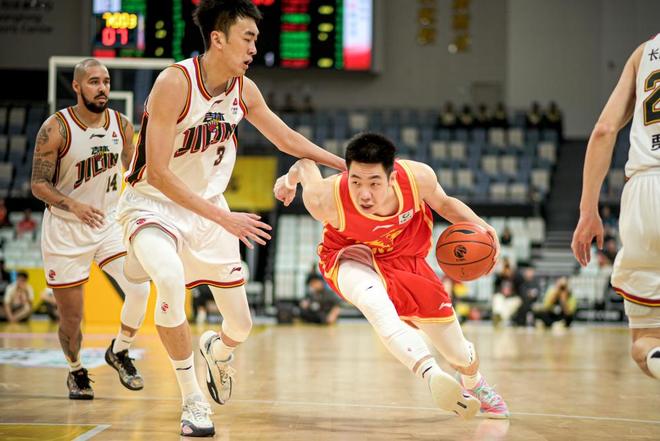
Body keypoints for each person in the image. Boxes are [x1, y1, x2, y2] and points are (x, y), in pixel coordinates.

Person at [117, 0, 345, 436]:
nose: (255, 48)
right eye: (248, 38)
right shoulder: (175, 83)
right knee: (168, 279)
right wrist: (226, 220)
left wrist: (346, 165)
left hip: (208, 209)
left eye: (256, 39)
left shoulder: (244, 89)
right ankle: (192, 400)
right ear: (218, 39)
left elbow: (286, 138)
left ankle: (217, 351)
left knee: (241, 325)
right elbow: (159, 173)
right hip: (152, 203)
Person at [274, 132, 509, 419]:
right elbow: (304, 164)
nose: (364, 193)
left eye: (374, 183)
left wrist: (485, 227)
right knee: (373, 302)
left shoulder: (417, 178)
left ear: (392, 177)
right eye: (356, 182)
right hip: (349, 255)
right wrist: (289, 181)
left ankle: (474, 383)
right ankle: (432, 374)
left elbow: (446, 205)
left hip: (406, 260)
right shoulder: (324, 198)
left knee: (460, 354)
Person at [30, 58, 151, 400]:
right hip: (66, 229)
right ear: (77, 86)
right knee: (72, 318)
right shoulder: (56, 128)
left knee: (140, 288)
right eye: (94, 81)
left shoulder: (121, 125)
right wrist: (74, 205)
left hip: (108, 222)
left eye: (106, 81)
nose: (102, 88)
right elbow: (38, 184)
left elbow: (135, 173)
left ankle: (120, 350)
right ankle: (76, 369)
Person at [572, 34, 660, 381]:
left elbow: (605, 130)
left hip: (643, 193)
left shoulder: (643, 53)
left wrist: (587, 211)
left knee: (645, 339)